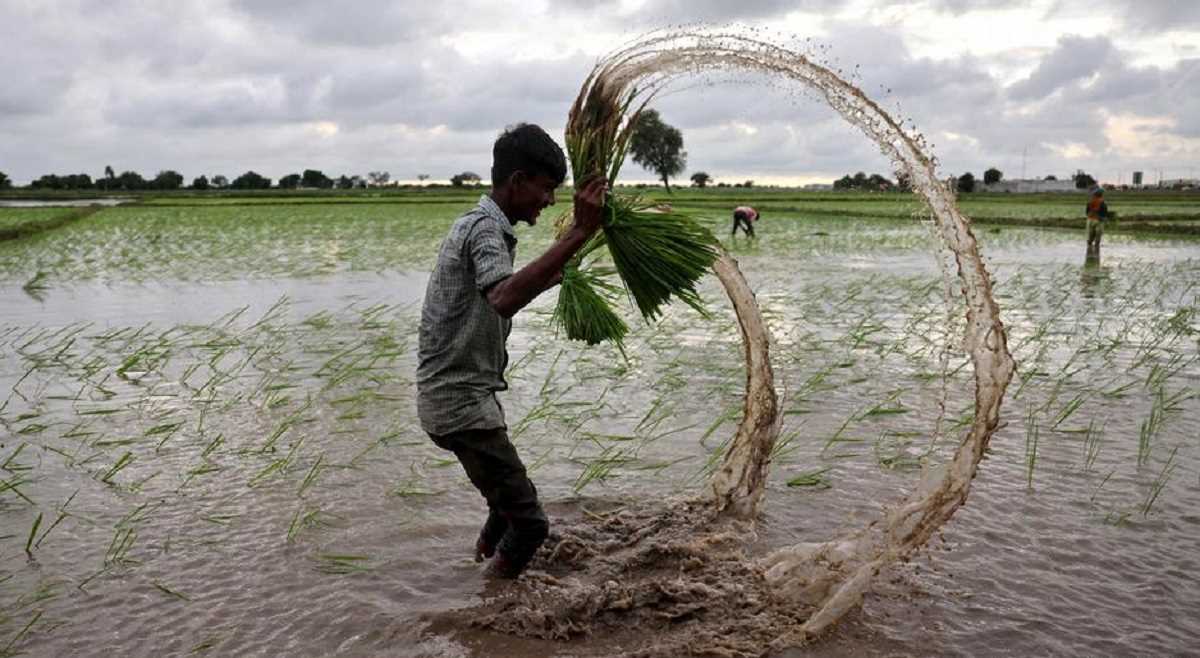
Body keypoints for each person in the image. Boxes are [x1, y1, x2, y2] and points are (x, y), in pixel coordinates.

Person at [416, 123, 606, 579]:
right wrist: (579, 232)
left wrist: (559, 271)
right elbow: (503, 297)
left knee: (504, 509)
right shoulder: (484, 229)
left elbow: (497, 296)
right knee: (531, 524)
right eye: (545, 188)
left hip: (464, 399)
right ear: (517, 181)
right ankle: (486, 609)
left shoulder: (483, 226)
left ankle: (476, 565)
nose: (550, 200)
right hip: (460, 405)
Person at [1085, 187, 1108, 256]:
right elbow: (1104, 212)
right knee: (1095, 236)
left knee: (1093, 236)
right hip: (1095, 220)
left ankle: (1092, 252)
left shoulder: (1100, 202)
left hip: (1094, 220)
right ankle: (1093, 252)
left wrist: (1101, 217)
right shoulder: (1093, 202)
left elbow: (1087, 212)